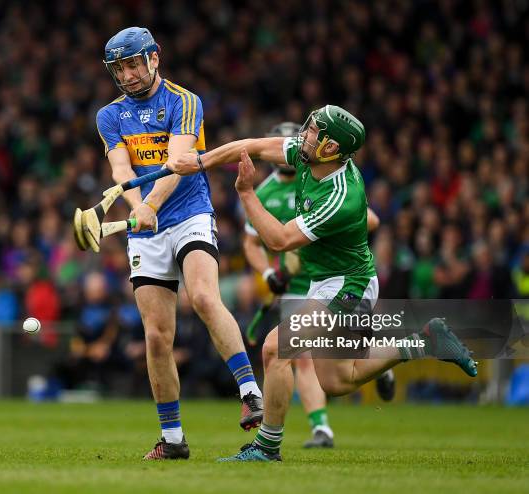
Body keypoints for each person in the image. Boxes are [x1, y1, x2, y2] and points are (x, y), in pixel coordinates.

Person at [168, 104, 477, 461]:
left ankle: (267, 448)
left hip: (349, 285)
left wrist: (246, 193)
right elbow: (251, 145)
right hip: (324, 280)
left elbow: (281, 240)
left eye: (314, 131)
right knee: (337, 381)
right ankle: (424, 341)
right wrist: (201, 161)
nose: (304, 135)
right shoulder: (307, 153)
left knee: (275, 348)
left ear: (331, 148)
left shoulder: (341, 197)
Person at [94, 27, 263, 460]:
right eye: (119, 68)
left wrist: (149, 204)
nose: (128, 75)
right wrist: (137, 207)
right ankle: (172, 440)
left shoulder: (184, 102)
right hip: (144, 227)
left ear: (154, 58)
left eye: (133, 64)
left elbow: (179, 164)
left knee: (205, 297)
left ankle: (249, 391)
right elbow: (120, 170)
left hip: (189, 214)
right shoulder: (109, 116)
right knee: (156, 337)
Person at [243, 123, 393, 449]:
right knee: (304, 359)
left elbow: (370, 220)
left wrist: (316, 231)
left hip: (333, 281)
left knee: (297, 355)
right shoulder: (267, 192)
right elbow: (252, 244)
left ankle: (308, 432)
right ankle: (322, 424)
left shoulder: (323, 177)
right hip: (298, 284)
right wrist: (268, 275)